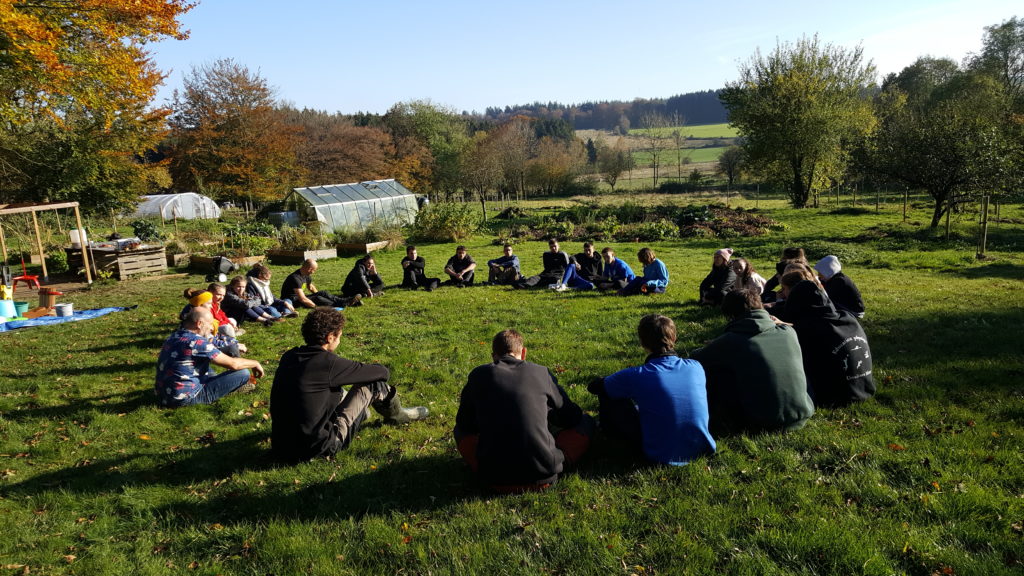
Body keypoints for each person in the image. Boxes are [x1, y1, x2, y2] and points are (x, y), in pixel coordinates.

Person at [270, 308, 429, 462]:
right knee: (375, 386)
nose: (340, 339)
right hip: (319, 448)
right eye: (339, 335)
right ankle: (398, 416)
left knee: (334, 388)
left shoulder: (289, 356)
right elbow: (383, 373)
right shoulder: (328, 364)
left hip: (281, 448)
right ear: (330, 337)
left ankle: (361, 414)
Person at [454, 329, 594, 492]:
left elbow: (464, 424)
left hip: (492, 477)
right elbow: (570, 416)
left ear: (493, 355)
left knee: (460, 431)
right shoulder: (541, 372)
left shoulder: (478, 375)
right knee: (585, 422)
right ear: (524, 352)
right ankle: (561, 457)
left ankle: (487, 462)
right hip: (543, 475)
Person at [587, 314, 715, 465]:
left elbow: (594, 387)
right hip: (702, 448)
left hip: (659, 455)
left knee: (607, 394)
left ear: (642, 342)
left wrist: (610, 381)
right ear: (674, 338)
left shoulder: (636, 375)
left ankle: (608, 436)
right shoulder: (696, 367)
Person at [691, 289, 815, 434]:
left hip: (763, 421)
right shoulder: (788, 332)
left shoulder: (732, 341)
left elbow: (696, 359)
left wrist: (716, 345)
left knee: (715, 372)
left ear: (731, 315)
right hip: (803, 410)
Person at [775, 271, 875, 407]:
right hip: (864, 389)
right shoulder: (846, 318)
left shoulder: (807, 330)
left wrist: (782, 325)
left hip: (834, 397)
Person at [155, 307, 264, 408]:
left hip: (163, 396)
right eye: (210, 324)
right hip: (185, 400)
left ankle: (225, 387)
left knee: (207, 367)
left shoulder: (174, 335)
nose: (212, 328)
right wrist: (255, 363)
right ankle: (229, 391)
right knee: (243, 373)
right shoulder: (198, 342)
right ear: (199, 324)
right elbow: (234, 364)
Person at [179, 289, 246, 357]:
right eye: (209, 303)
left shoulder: (200, 316)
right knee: (233, 348)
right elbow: (210, 341)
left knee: (231, 341)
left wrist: (234, 341)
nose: (211, 306)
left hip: (209, 342)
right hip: (201, 348)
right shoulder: (198, 322)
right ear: (200, 305)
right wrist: (235, 345)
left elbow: (217, 336)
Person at [281, 259, 361, 309]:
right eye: (314, 270)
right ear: (309, 269)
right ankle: (340, 304)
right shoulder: (295, 278)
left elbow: (311, 288)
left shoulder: (306, 275)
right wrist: (316, 306)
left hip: (299, 298)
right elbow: (302, 299)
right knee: (318, 299)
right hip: (292, 301)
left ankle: (344, 301)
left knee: (323, 293)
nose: (314, 272)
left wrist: (321, 295)